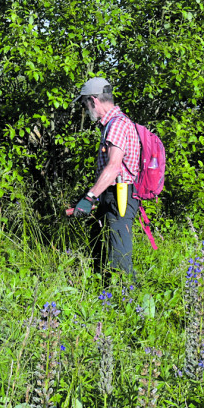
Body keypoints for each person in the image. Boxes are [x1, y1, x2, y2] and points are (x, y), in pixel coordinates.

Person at [65, 77, 142, 276]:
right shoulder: (117, 123)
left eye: (84, 104)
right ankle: (103, 295)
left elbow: (114, 167)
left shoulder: (116, 125)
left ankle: (128, 300)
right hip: (113, 194)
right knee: (99, 246)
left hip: (120, 196)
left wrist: (89, 197)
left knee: (119, 255)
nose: (85, 109)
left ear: (94, 100)